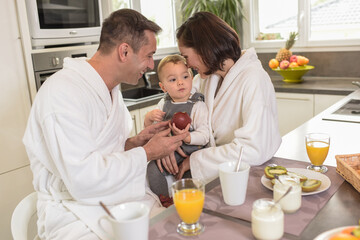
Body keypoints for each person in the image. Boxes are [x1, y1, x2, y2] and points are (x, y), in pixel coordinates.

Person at [22, 9, 188, 240]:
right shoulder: (61, 93)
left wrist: (134, 142)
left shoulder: (110, 89)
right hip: (75, 213)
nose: (151, 65)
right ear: (124, 51)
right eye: (149, 55)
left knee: (181, 228)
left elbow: (104, 151)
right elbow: (83, 180)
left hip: (119, 199)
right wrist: (147, 152)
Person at [172, 11, 282, 183]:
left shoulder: (254, 79)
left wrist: (195, 161)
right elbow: (175, 103)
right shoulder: (209, 78)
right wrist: (163, 139)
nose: (187, 65)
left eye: (186, 57)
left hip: (249, 178)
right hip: (218, 177)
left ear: (204, 49)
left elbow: (254, 149)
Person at [144, 54, 209, 197]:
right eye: (173, 80)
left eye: (185, 77)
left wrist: (186, 137)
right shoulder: (163, 104)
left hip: (189, 154)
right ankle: (164, 198)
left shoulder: (198, 105)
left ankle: (186, 198)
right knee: (152, 170)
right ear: (163, 87)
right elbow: (152, 132)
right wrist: (148, 119)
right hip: (167, 153)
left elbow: (205, 136)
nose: (180, 82)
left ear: (192, 78)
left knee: (191, 175)